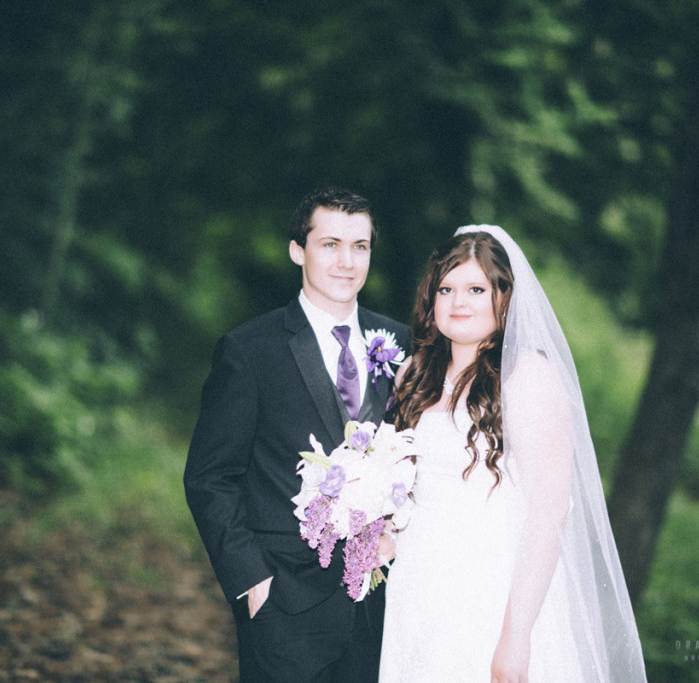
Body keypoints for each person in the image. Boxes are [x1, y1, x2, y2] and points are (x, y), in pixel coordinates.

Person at [379, 226, 647, 682]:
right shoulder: (412, 374)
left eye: (475, 289)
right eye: (446, 288)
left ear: (504, 297)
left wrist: (517, 634)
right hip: (419, 586)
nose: (458, 301)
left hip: (493, 591)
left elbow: (549, 512)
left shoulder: (528, 378)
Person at [184, 187, 409, 682]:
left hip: (386, 608)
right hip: (284, 602)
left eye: (361, 246)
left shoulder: (404, 347)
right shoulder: (249, 351)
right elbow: (209, 477)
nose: (347, 262)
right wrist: (254, 582)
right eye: (330, 244)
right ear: (297, 250)